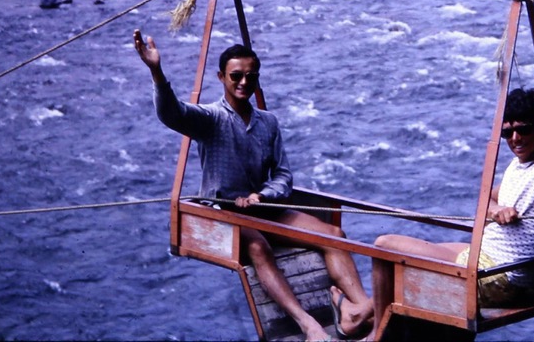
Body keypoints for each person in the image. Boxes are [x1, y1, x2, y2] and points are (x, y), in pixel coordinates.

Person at [134, 29, 373, 342]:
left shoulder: (268, 122)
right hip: (225, 213)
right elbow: (172, 113)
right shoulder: (211, 118)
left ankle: (359, 309)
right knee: (258, 246)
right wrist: (156, 70)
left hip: (262, 208)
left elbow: (283, 175)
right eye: (236, 76)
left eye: (251, 76)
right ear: (221, 77)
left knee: (334, 235)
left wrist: (262, 195)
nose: (244, 82)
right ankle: (308, 325)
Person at [366, 55, 534, 334]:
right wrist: (496, 210)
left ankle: (374, 334)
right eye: (508, 133)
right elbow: (488, 198)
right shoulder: (518, 165)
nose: (515, 139)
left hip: (499, 277)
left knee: (384, 246)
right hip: (486, 258)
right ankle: (360, 313)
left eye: (523, 130)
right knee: (409, 258)